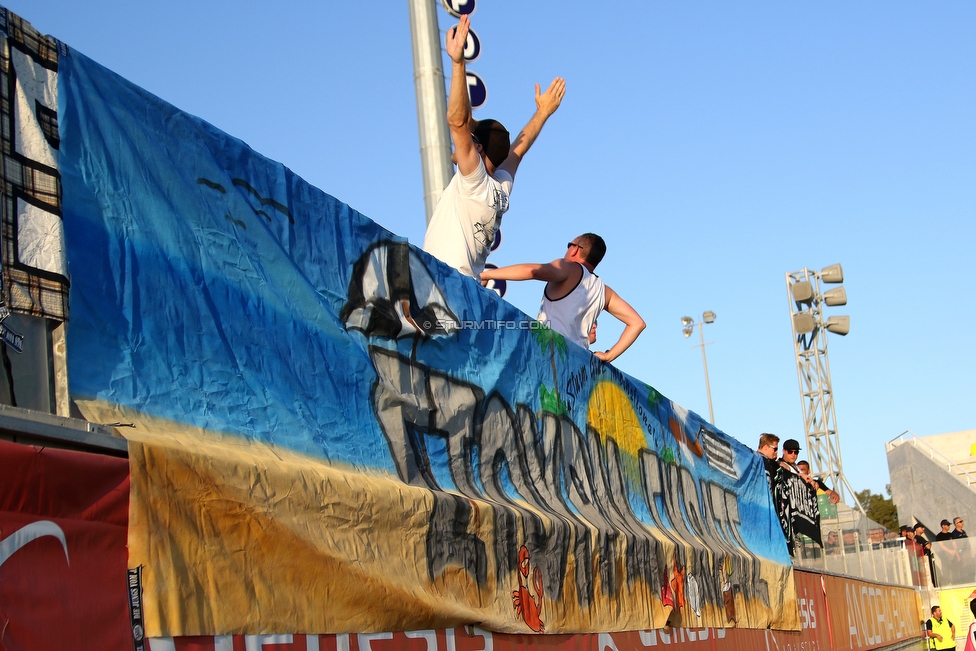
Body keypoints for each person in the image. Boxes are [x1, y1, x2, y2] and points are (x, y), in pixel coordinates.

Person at [422, 14, 566, 278]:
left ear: (478, 149)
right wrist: (542, 113)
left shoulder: (474, 180)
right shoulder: (501, 187)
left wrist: (458, 63)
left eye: (470, 136)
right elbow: (517, 152)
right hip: (466, 290)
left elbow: (457, 121)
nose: (462, 138)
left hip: (444, 285)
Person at [479, 234, 645, 362]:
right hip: (579, 364)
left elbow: (532, 271)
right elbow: (637, 323)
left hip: (547, 355)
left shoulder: (569, 268)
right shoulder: (604, 291)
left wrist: (488, 274)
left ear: (575, 249)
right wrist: (609, 356)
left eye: (569, 245)